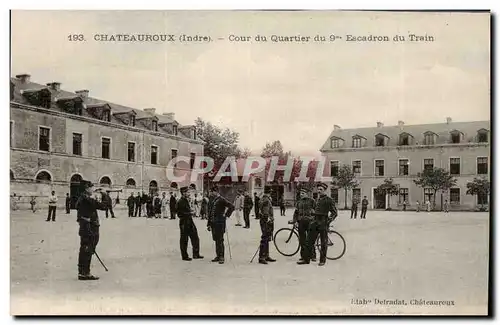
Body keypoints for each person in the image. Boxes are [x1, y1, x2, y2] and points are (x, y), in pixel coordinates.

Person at [76, 180, 108, 280]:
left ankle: (82, 272)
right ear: (86, 188)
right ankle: (85, 273)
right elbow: (103, 206)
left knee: (85, 249)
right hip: (89, 228)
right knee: (88, 249)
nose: (92, 189)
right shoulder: (86, 199)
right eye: (91, 187)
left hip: (85, 227)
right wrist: (105, 195)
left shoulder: (82, 198)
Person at [303, 182, 337, 266]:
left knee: (323, 243)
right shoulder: (316, 199)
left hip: (323, 222)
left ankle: (322, 260)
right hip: (315, 222)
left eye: (321, 189)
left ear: (325, 190)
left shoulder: (329, 200)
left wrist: (328, 221)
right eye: (318, 189)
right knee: (308, 241)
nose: (319, 191)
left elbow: (334, 213)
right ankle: (306, 259)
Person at [207, 186, 235, 264]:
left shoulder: (222, 199)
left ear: (216, 192)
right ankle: (218, 255)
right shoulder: (213, 200)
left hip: (219, 223)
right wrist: (209, 224)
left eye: (212, 192)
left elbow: (232, 207)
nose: (211, 193)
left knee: (220, 240)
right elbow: (210, 213)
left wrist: (226, 215)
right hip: (213, 224)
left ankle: (221, 256)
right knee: (216, 240)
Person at [176, 186, 204, 261]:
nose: (189, 193)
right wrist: (190, 213)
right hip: (184, 222)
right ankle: (184, 256)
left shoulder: (186, 200)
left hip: (190, 221)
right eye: (187, 192)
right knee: (184, 239)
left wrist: (190, 212)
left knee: (195, 237)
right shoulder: (180, 201)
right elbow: (179, 214)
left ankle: (196, 254)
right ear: (183, 193)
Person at [293, 188, 317, 264]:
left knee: (310, 239)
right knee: (302, 240)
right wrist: (294, 221)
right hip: (301, 222)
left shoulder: (312, 201)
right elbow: (296, 212)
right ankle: (303, 256)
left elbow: (316, 210)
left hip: (310, 221)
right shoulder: (298, 202)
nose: (301, 194)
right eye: (300, 193)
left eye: (303, 193)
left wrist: (314, 219)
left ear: (306, 193)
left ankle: (313, 256)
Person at [258, 186, 276, 264]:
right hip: (266, 221)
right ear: (269, 192)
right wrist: (268, 220)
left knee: (267, 238)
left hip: (264, 221)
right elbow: (265, 212)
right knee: (265, 238)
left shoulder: (263, 199)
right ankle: (261, 257)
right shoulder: (266, 200)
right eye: (270, 192)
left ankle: (266, 255)